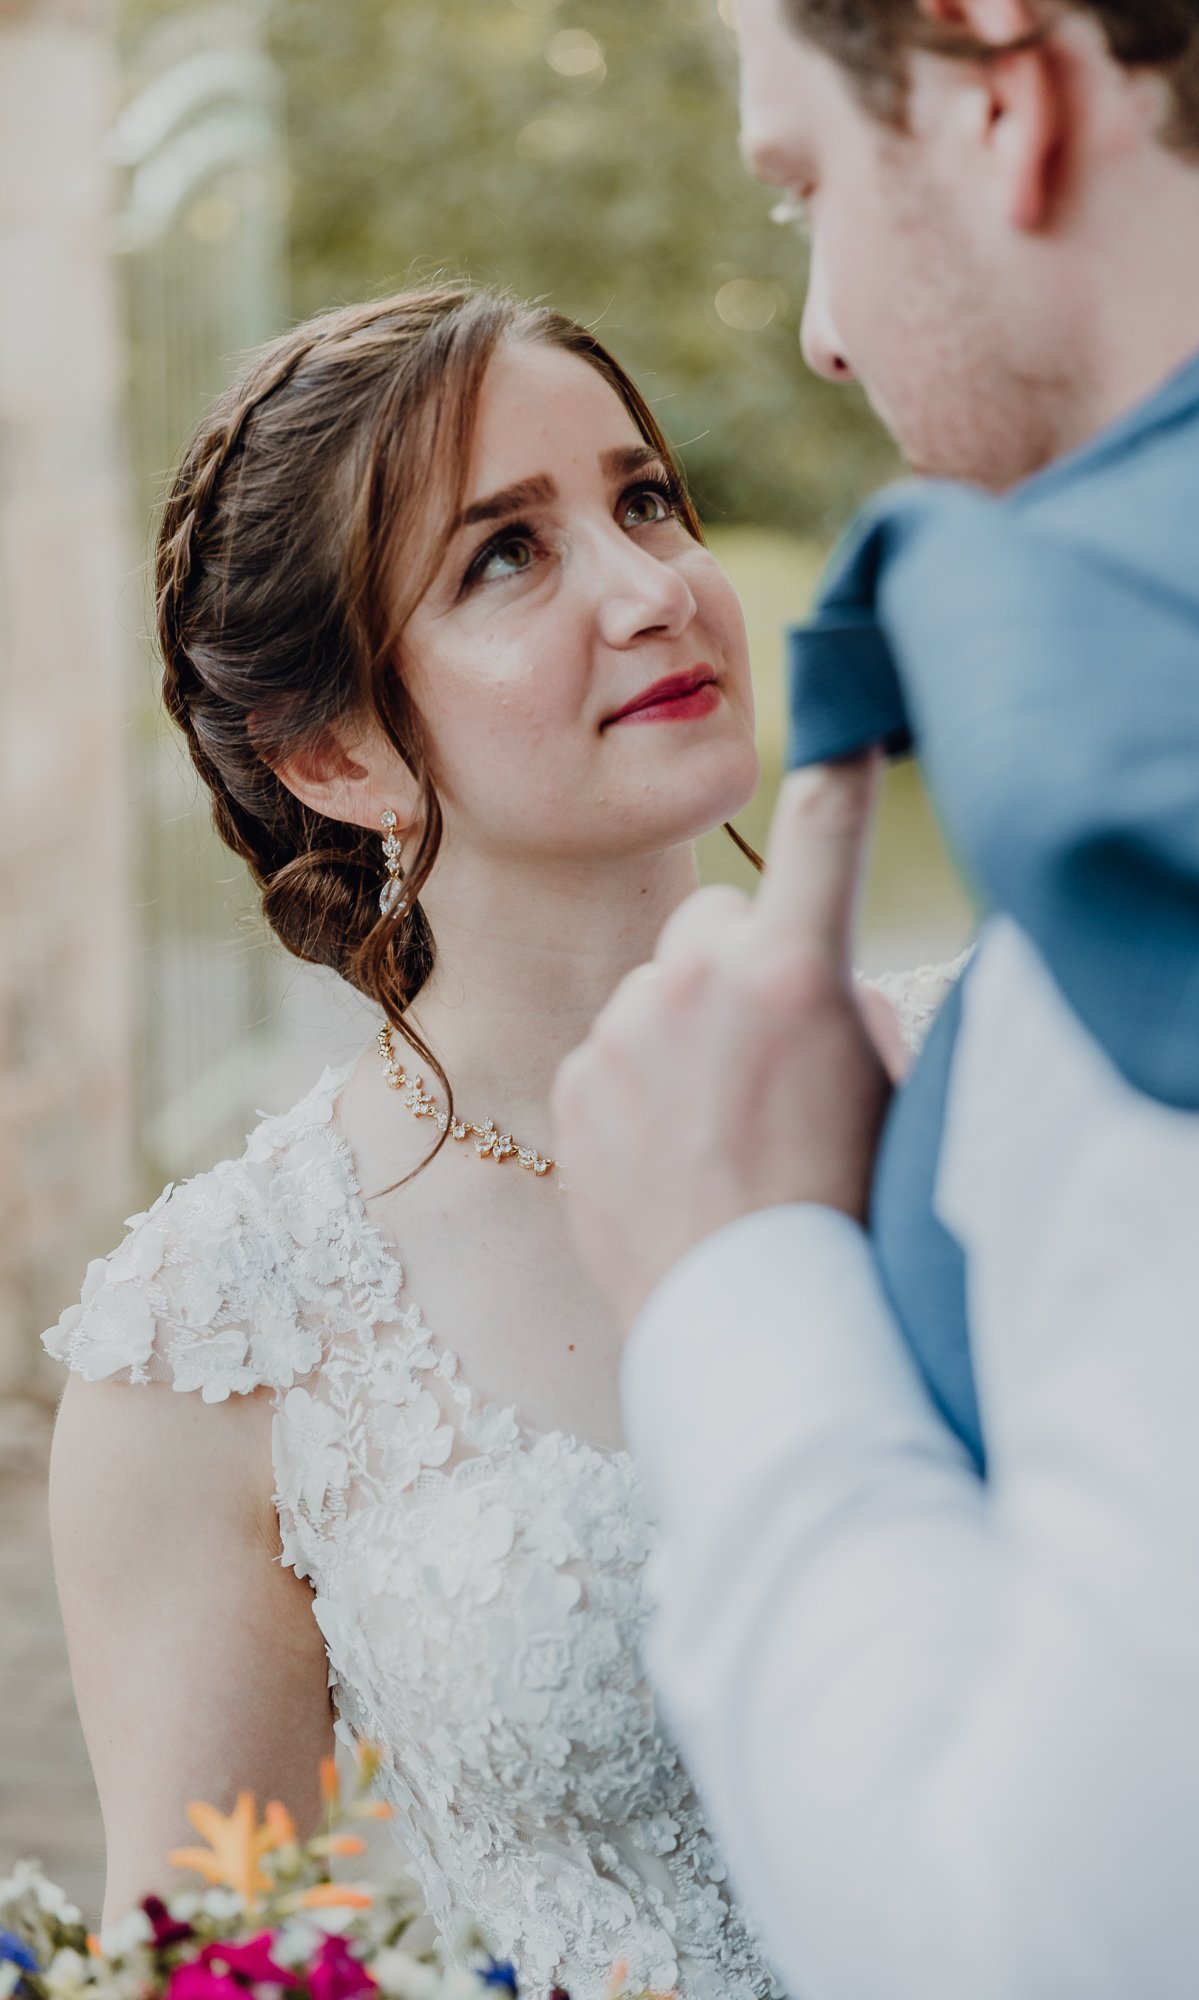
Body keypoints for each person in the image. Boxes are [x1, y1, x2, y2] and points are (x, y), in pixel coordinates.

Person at [551, 1, 1199, 1994]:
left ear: (1000, 81)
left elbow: (1099, 1948)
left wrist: (738, 1278)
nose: (818, 325)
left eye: (805, 179)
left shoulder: (1151, 768)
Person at [43, 282, 947, 1996]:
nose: (649, 590)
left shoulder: (999, 1068)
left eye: (641, 499)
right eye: (503, 558)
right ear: (332, 750)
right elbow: (215, 1966)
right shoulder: (213, 1342)